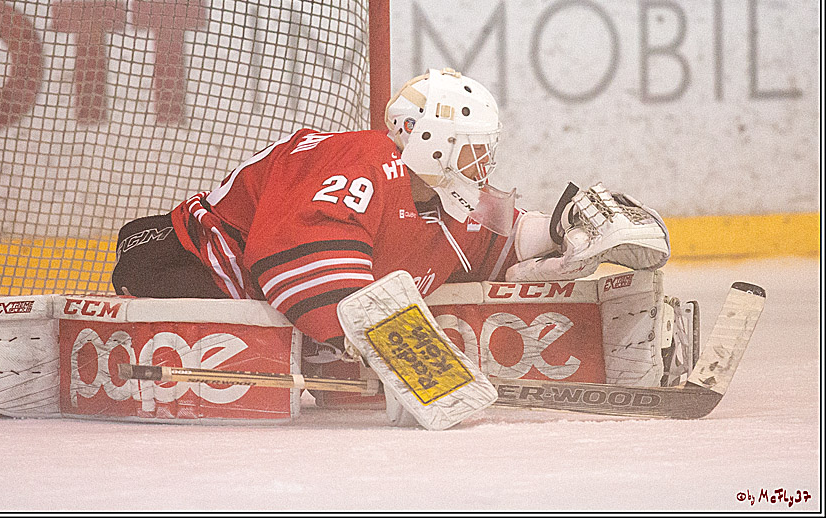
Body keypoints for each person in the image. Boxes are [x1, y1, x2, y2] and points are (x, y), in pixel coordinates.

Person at [111, 67, 668, 353]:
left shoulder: (446, 195)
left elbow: (491, 248)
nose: (483, 162)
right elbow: (294, 258)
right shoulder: (360, 163)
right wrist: (396, 346)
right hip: (177, 262)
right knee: (266, 339)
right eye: (472, 147)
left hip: (248, 279)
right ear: (428, 140)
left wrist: (559, 231)